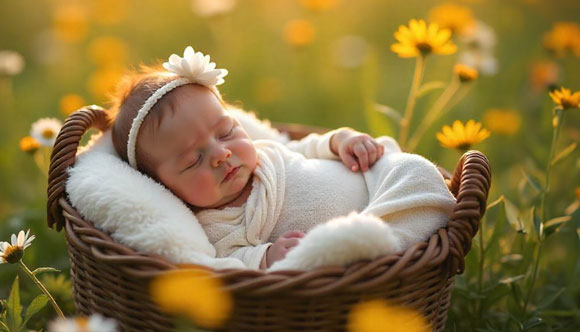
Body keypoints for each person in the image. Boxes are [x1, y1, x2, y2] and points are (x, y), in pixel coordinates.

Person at [109, 47, 455, 269]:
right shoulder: (213, 225)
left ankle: (385, 240)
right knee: (322, 261)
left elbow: (303, 148)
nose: (221, 154)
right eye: (192, 160)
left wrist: (341, 141)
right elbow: (229, 262)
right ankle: (382, 252)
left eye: (226, 131)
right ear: (162, 186)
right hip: (341, 245)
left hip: (373, 183)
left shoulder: (263, 153)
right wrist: (267, 257)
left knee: (413, 170)